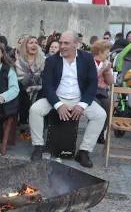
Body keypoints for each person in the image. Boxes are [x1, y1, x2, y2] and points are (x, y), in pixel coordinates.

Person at [29, 30, 106, 168]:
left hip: (79, 98)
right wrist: (58, 104)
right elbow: (47, 86)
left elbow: (92, 84)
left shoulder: (87, 59)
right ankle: (38, 146)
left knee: (100, 115)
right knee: (35, 109)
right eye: (60, 43)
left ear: (77, 44)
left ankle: (84, 151)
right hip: (56, 98)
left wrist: (82, 105)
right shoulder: (52, 60)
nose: (62, 46)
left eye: (66, 43)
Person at [15, 36, 45, 124]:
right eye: (31, 43)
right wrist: (33, 78)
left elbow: (44, 79)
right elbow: (19, 81)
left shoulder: (43, 62)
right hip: (22, 94)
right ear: (25, 46)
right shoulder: (18, 63)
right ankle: (23, 122)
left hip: (39, 93)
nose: (34, 45)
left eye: (36, 43)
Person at [92, 40, 116, 142]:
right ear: (100, 51)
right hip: (91, 90)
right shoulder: (90, 62)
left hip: (102, 91)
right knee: (96, 106)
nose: (108, 54)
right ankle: (94, 132)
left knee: (108, 105)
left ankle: (101, 132)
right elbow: (92, 78)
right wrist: (102, 70)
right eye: (106, 52)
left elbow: (110, 82)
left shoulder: (106, 63)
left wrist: (107, 71)